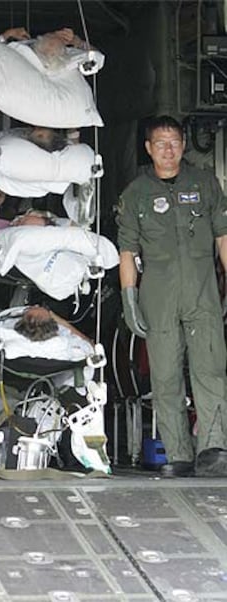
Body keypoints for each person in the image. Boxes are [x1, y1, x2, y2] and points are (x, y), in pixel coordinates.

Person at [117, 114, 227, 478]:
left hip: (202, 292)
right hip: (159, 295)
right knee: (164, 377)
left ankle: (213, 449)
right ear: (149, 148)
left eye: (175, 142)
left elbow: (223, 236)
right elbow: (128, 252)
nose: (169, 150)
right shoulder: (135, 193)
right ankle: (178, 454)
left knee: (210, 370)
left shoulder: (205, 182)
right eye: (160, 143)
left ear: (183, 145)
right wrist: (129, 298)